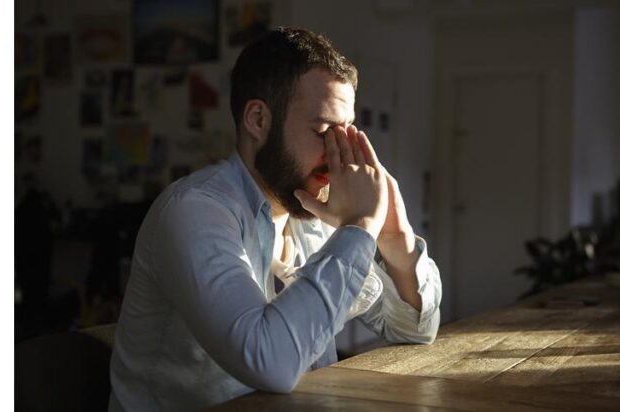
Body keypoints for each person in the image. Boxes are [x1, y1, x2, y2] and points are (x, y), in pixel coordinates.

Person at [108, 27, 442, 411]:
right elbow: (269, 363)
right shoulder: (194, 212)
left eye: (345, 132)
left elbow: (415, 329)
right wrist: (360, 227)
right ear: (258, 120)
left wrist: (394, 237)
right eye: (323, 131)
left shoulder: (313, 213)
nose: (339, 152)